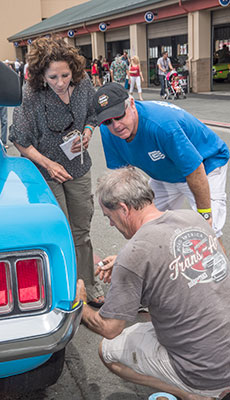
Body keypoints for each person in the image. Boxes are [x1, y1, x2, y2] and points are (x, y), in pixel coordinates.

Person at [76, 166, 230, 400]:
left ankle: (193, 393)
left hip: (206, 372)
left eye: (109, 216)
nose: (110, 225)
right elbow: (173, 257)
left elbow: (109, 328)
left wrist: (80, 305)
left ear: (124, 209)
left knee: (108, 351)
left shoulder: (135, 253)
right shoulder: (192, 218)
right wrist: (125, 264)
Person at [9, 37, 104, 307]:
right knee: (58, 228)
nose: (61, 82)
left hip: (78, 167)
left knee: (81, 230)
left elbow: (92, 115)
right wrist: (49, 164)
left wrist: (87, 132)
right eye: (53, 77)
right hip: (46, 171)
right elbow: (20, 139)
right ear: (42, 74)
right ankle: (65, 286)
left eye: (65, 75)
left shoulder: (83, 84)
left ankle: (88, 281)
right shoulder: (31, 93)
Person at [92, 82, 229, 249]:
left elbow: (194, 169)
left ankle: (221, 274)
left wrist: (205, 213)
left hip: (206, 166)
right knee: (144, 225)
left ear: (132, 104)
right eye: (108, 121)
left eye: (120, 116)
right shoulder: (109, 131)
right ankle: (160, 268)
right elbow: (121, 178)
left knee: (208, 231)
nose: (116, 125)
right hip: (165, 172)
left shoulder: (162, 125)